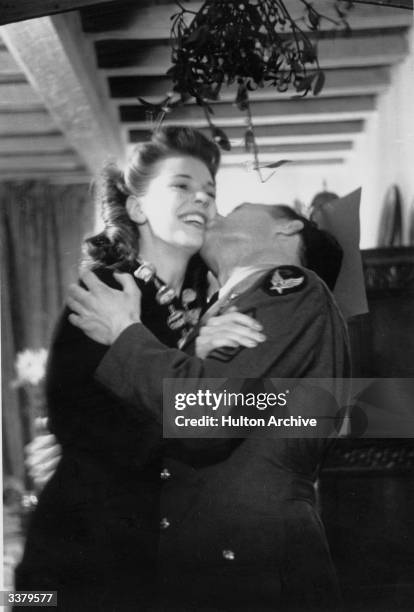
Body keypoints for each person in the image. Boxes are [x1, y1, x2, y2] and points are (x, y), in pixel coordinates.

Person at [15, 126, 264, 611]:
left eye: (210, 191)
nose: (203, 200)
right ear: (137, 207)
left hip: (156, 556)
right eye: (181, 185)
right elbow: (96, 428)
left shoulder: (208, 303)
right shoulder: (107, 293)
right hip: (82, 558)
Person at [64, 201, 350, 611]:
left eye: (238, 207)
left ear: (287, 230)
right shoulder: (225, 312)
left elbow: (204, 416)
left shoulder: (291, 286)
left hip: (249, 564)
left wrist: (125, 332)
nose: (216, 211)